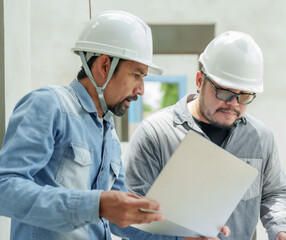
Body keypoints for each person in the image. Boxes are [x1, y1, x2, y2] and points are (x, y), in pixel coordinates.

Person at [0, 10, 166, 240]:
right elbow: (4, 189)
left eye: (143, 77)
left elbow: (120, 221)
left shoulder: (109, 134)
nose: (141, 90)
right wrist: (96, 205)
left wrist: (183, 236)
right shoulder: (49, 105)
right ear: (104, 66)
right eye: (136, 75)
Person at [125, 31, 286, 240]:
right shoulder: (156, 134)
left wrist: (280, 230)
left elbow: (274, 193)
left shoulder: (260, 138)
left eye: (245, 96)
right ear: (199, 80)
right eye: (224, 92)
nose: (233, 103)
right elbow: (129, 220)